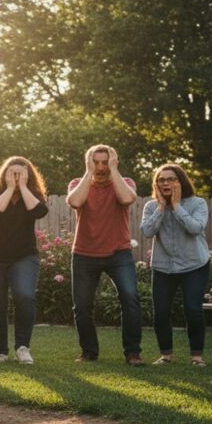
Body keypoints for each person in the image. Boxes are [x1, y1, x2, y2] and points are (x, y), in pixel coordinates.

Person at [66, 144, 145, 366]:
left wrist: (114, 170)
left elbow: (127, 199)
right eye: (96, 162)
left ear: (113, 162)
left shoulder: (125, 182)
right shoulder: (77, 184)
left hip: (118, 253)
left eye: (105, 162)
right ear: (89, 163)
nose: (101, 167)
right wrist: (88, 172)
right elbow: (75, 202)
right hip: (84, 254)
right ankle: (89, 352)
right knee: (82, 305)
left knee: (130, 297)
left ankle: (132, 352)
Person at [0, 156, 49, 364]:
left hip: (23, 257)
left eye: (21, 173)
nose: (16, 177)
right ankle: (0, 351)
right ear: (5, 174)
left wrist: (23, 187)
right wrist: (9, 188)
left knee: (25, 296)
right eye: (12, 173)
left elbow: (40, 211)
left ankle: (22, 348)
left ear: (28, 175)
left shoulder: (33, 196)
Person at [140, 163, 210, 367]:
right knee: (161, 311)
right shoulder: (151, 206)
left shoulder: (198, 203)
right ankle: (166, 355)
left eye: (171, 179)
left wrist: (177, 206)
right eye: (161, 180)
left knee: (192, 309)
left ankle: (197, 356)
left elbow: (195, 228)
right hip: (163, 266)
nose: (165, 183)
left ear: (181, 182)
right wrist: (162, 207)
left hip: (194, 264)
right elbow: (146, 232)